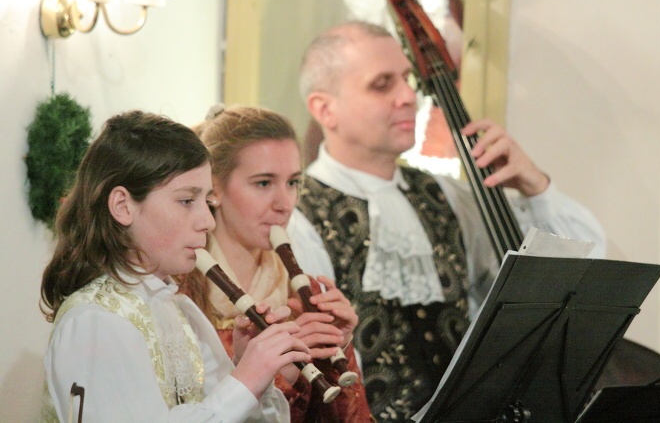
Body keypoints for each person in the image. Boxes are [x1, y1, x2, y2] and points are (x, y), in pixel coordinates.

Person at [287, 21, 608, 421]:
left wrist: (535, 187)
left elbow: (578, 272)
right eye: (382, 84)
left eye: (407, 79)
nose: (408, 96)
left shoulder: (449, 196)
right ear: (325, 109)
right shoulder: (297, 215)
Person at [40, 110, 311, 422]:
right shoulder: (94, 322)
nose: (207, 221)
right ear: (123, 206)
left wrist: (249, 369)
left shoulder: (179, 309)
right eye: (186, 201)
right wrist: (245, 380)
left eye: (207, 201)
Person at [179, 105, 371, 422]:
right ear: (214, 189)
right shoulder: (176, 290)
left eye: (293, 183)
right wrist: (281, 375)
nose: (285, 204)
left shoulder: (306, 292)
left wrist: (341, 352)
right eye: (264, 183)